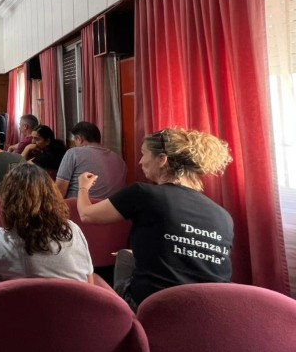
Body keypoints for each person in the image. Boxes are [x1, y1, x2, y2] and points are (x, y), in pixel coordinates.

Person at [77, 127, 234, 310]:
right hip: (210, 310)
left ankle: (124, 322)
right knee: (129, 254)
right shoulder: (223, 216)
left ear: (162, 159)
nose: (140, 161)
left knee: (121, 260)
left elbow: (86, 214)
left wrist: (83, 187)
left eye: (144, 153)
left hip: (154, 307)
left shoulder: (142, 193)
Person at [0, 163, 93, 291]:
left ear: (7, 201)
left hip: (17, 314)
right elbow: (89, 283)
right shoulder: (73, 230)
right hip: (76, 313)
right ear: (53, 198)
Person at [56, 121, 127, 199]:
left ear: (79, 139)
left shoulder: (73, 153)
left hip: (78, 205)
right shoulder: (120, 161)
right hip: (111, 206)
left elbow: (59, 192)